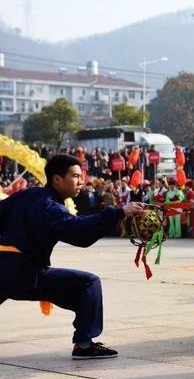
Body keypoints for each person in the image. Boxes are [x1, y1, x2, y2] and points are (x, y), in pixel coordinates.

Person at [0, 154, 144, 359]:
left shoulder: (26, 195)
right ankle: (84, 345)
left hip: (3, 267)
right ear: (57, 179)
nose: (81, 181)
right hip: (24, 273)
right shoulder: (51, 207)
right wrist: (118, 212)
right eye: (76, 176)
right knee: (88, 284)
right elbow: (79, 232)